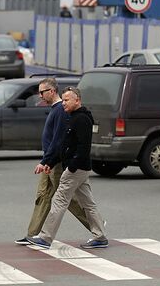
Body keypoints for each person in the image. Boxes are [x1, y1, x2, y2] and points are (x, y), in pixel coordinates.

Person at [27, 87, 108, 250]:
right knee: (88, 203)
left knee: (59, 201)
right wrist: (48, 162)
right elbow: (63, 146)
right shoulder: (73, 117)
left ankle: (45, 237)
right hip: (80, 169)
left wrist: (71, 167)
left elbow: (83, 147)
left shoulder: (82, 120)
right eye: (63, 100)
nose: (63, 103)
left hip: (75, 170)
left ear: (77, 100)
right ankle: (100, 236)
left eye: (67, 100)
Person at [14, 78, 90, 245]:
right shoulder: (56, 110)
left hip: (55, 163)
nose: (40, 96)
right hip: (49, 161)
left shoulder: (60, 111)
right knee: (43, 197)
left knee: (66, 199)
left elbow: (58, 140)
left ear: (52, 91)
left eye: (42, 92)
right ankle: (32, 234)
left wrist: (47, 161)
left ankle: (95, 226)